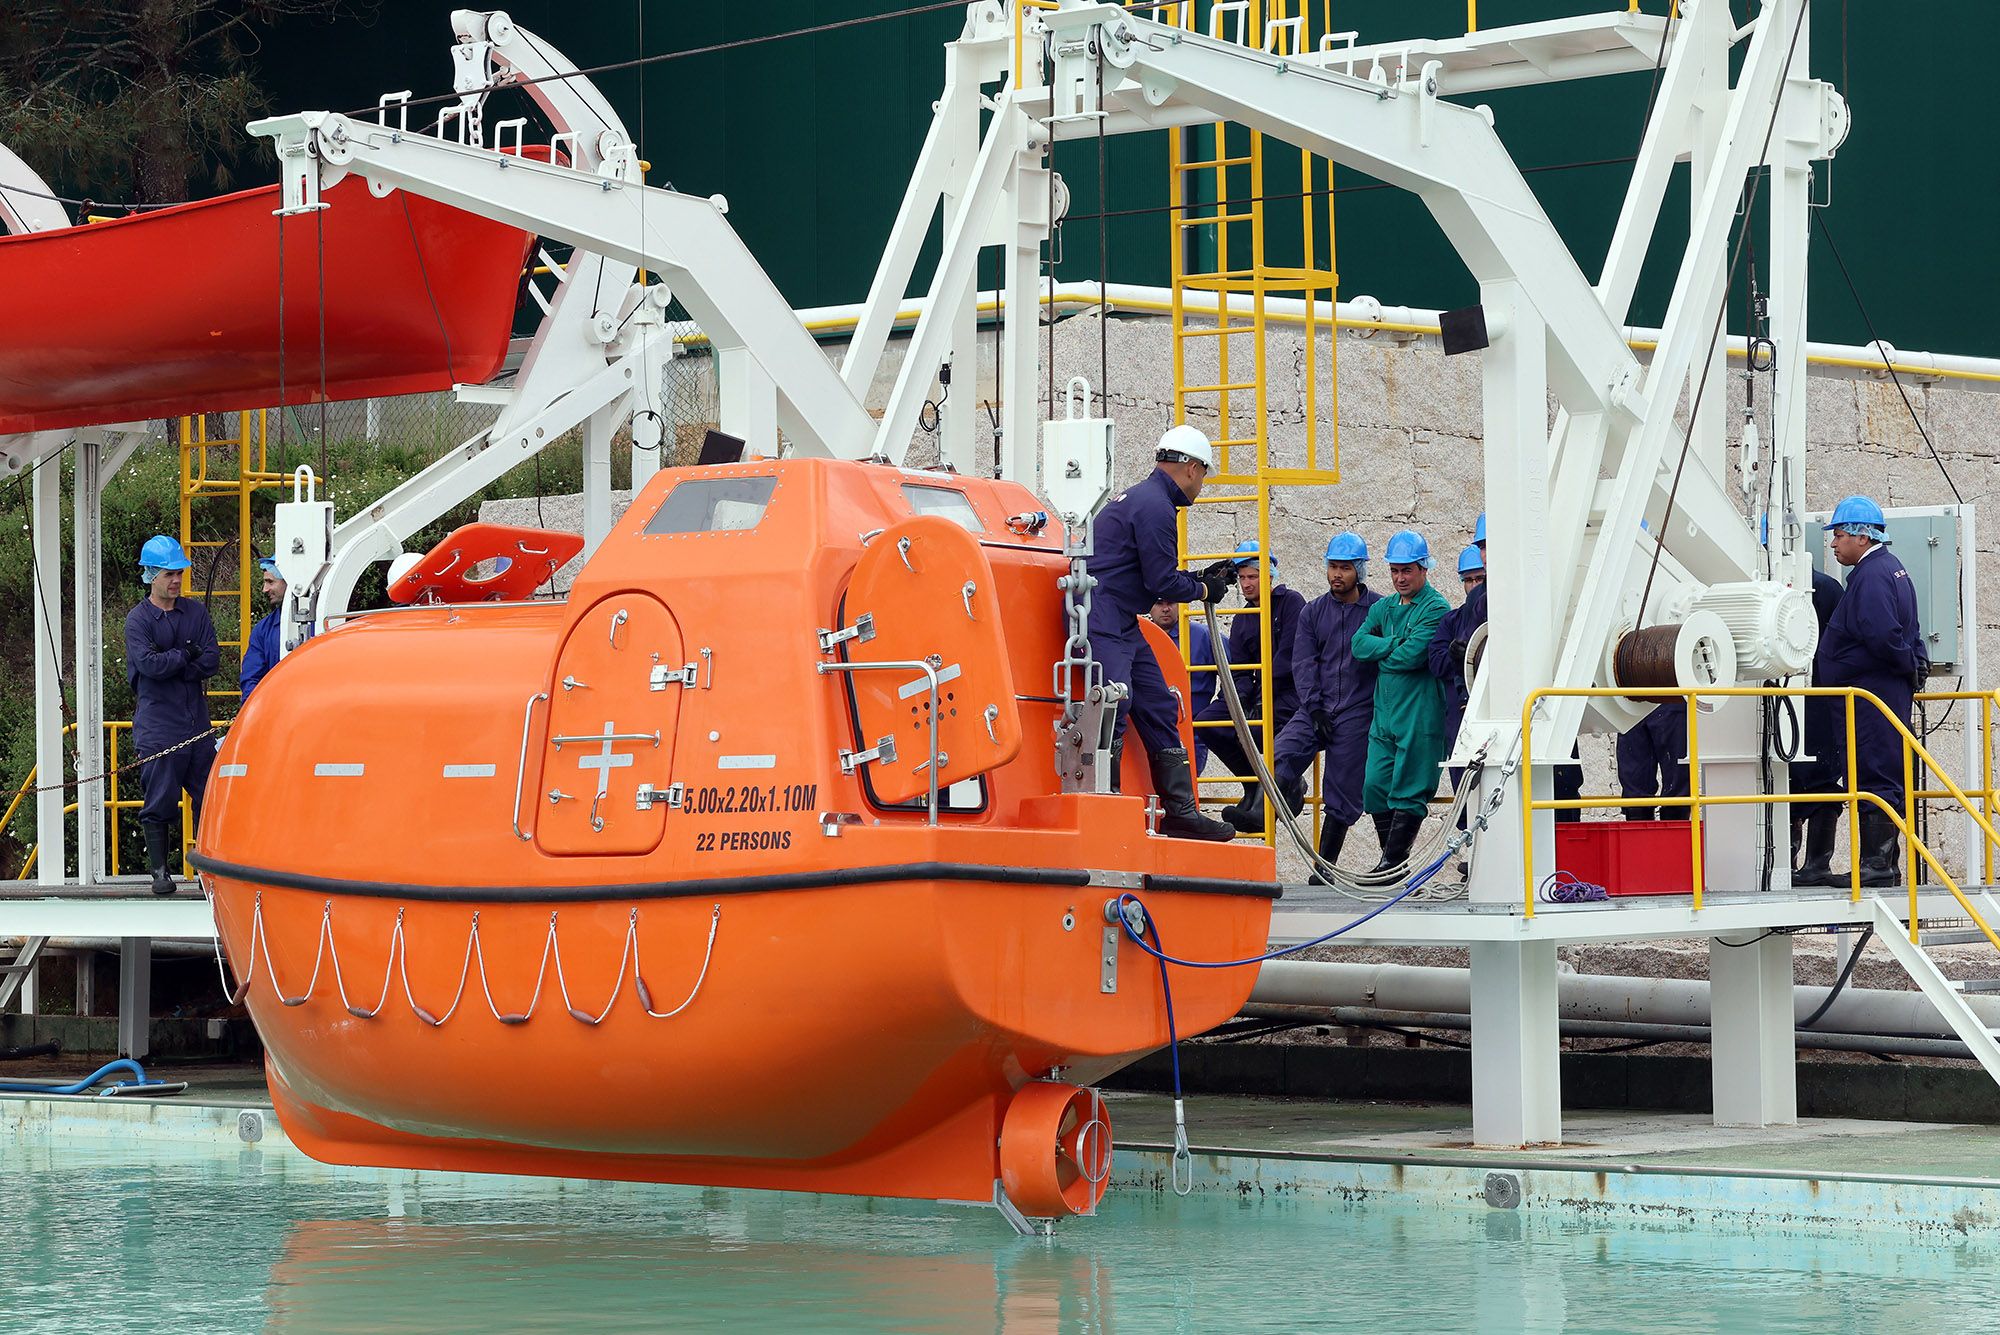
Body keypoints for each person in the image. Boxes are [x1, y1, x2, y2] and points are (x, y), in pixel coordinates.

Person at [1082, 425, 1235, 841]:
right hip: (1103, 616)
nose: (1201, 485)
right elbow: (1163, 581)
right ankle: (1104, 805)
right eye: (1203, 475)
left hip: (1119, 617)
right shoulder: (1157, 507)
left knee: (1157, 702)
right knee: (1113, 703)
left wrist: (1198, 578)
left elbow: (1151, 575)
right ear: (1190, 467)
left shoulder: (1142, 498)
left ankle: (1181, 811)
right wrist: (1203, 588)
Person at [1814, 495, 1925, 887]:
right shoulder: (1890, 569)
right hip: (1878, 694)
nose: (1833, 543)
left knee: (1875, 775)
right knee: (1882, 774)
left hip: (1871, 698)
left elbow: (1883, 634)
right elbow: (1907, 632)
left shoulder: (1873, 574)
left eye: (1840, 535)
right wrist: (1912, 663)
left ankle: (1876, 869)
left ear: (1862, 536)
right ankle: (1880, 866)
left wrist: (1905, 665)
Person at [1269, 533, 1380, 870]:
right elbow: (1303, 662)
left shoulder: (1379, 610)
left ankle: (1324, 868)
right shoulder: (1313, 611)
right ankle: (1284, 794)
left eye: (1345, 568)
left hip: (1359, 710)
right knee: (1278, 755)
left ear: (1359, 571)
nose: (1337, 575)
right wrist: (1313, 706)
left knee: (1342, 787)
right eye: (1333, 566)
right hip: (1316, 706)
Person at [124, 535, 221, 896]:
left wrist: (176, 661)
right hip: (159, 728)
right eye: (169, 574)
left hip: (196, 726)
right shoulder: (137, 620)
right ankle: (160, 872)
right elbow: (149, 667)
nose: (176, 580)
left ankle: (207, 868)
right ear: (150, 575)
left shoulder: (195, 612)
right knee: (159, 800)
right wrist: (185, 656)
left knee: (209, 795)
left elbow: (211, 659)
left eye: (179, 573)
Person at [1352, 530, 1450, 872]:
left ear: (1424, 569)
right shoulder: (1384, 606)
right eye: (1395, 570)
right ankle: (1390, 861)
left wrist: (1382, 649)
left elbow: (1412, 657)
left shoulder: (1435, 607)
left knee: (1410, 787)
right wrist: (1393, 644)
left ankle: (1392, 861)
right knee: (1375, 784)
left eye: (1407, 570)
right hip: (1385, 712)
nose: (1400, 577)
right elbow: (1358, 645)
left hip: (1419, 712)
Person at [1196, 539, 1306, 832]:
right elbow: (1240, 667)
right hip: (1257, 692)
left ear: (1269, 576)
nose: (1246, 583)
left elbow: (1290, 656)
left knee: (1261, 728)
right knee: (1206, 723)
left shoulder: (1290, 603)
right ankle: (1254, 782)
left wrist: (1259, 698)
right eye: (1242, 577)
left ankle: (1274, 791)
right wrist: (1241, 698)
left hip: (1287, 692)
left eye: (1253, 576)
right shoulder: (1244, 617)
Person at [1790, 563, 1847, 886]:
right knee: (1788, 781)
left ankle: (1816, 864)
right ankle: (1789, 862)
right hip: (1791, 700)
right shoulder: (1827, 589)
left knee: (1822, 779)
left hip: (1820, 700)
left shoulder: (1824, 590)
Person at [1147, 599, 1216, 769]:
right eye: (1159, 603)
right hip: (1152, 725)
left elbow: (1235, 669)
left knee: (1188, 782)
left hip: (1192, 727)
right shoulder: (1141, 635)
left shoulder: (1201, 635)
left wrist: (1220, 706)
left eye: (1171, 603)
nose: (1165, 609)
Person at [1616, 701, 1689, 821]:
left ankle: (1675, 834)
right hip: (1629, 699)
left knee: (1677, 787)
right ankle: (1638, 835)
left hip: (1670, 695)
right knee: (1635, 787)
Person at [239, 557, 287, 700]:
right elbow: (251, 679)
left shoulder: (322, 624)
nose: (264, 589)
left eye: (270, 582)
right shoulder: (263, 630)